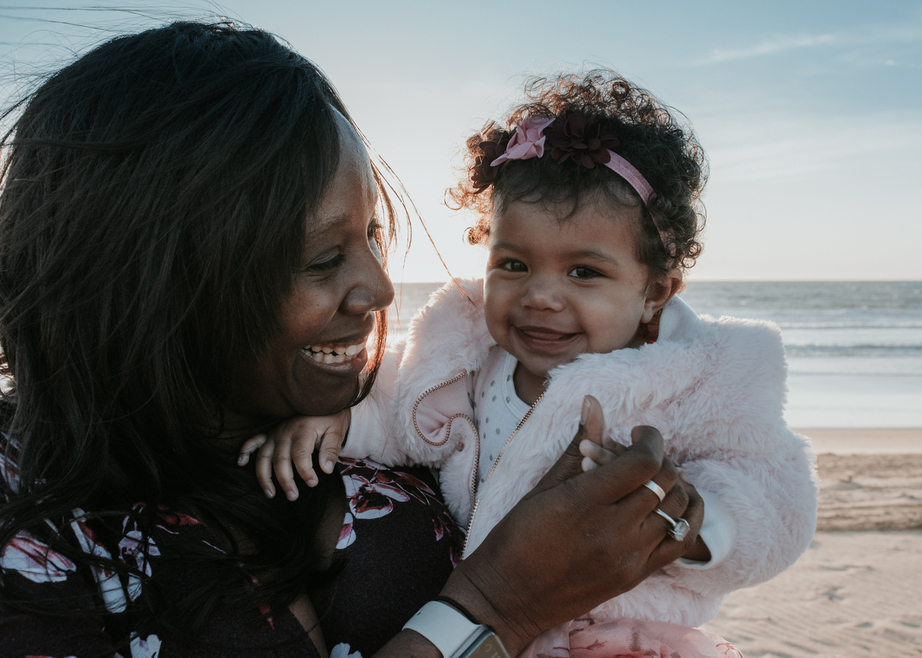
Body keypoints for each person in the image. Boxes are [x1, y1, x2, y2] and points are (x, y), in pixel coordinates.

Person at [0, 22, 704, 658]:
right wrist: (498, 607)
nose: (379, 289)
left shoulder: (385, 432)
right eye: (320, 259)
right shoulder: (40, 537)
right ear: (149, 283)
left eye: (371, 235)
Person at [242, 72, 818, 657]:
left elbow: (775, 493)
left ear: (656, 292)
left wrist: (699, 523)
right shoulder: (466, 356)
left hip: (613, 637)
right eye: (514, 265)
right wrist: (340, 418)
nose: (540, 296)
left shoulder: (694, 377)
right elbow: (400, 404)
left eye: (584, 273)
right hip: (487, 622)